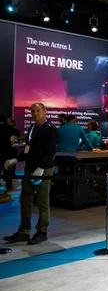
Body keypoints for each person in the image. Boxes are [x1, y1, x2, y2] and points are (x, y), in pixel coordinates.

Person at [3, 103, 58, 244]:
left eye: (38, 110)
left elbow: (51, 151)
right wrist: (16, 159)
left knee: (42, 201)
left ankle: (42, 232)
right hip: (29, 169)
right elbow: (28, 150)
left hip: (43, 170)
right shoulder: (32, 128)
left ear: (45, 111)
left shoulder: (50, 129)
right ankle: (24, 231)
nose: (35, 113)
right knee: (25, 199)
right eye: (33, 111)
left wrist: (42, 167)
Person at [0, 115, 15, 193]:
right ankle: (9, 186)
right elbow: (12, 139)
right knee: (7, 169)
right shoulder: (9, 128)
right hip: (6, 151)